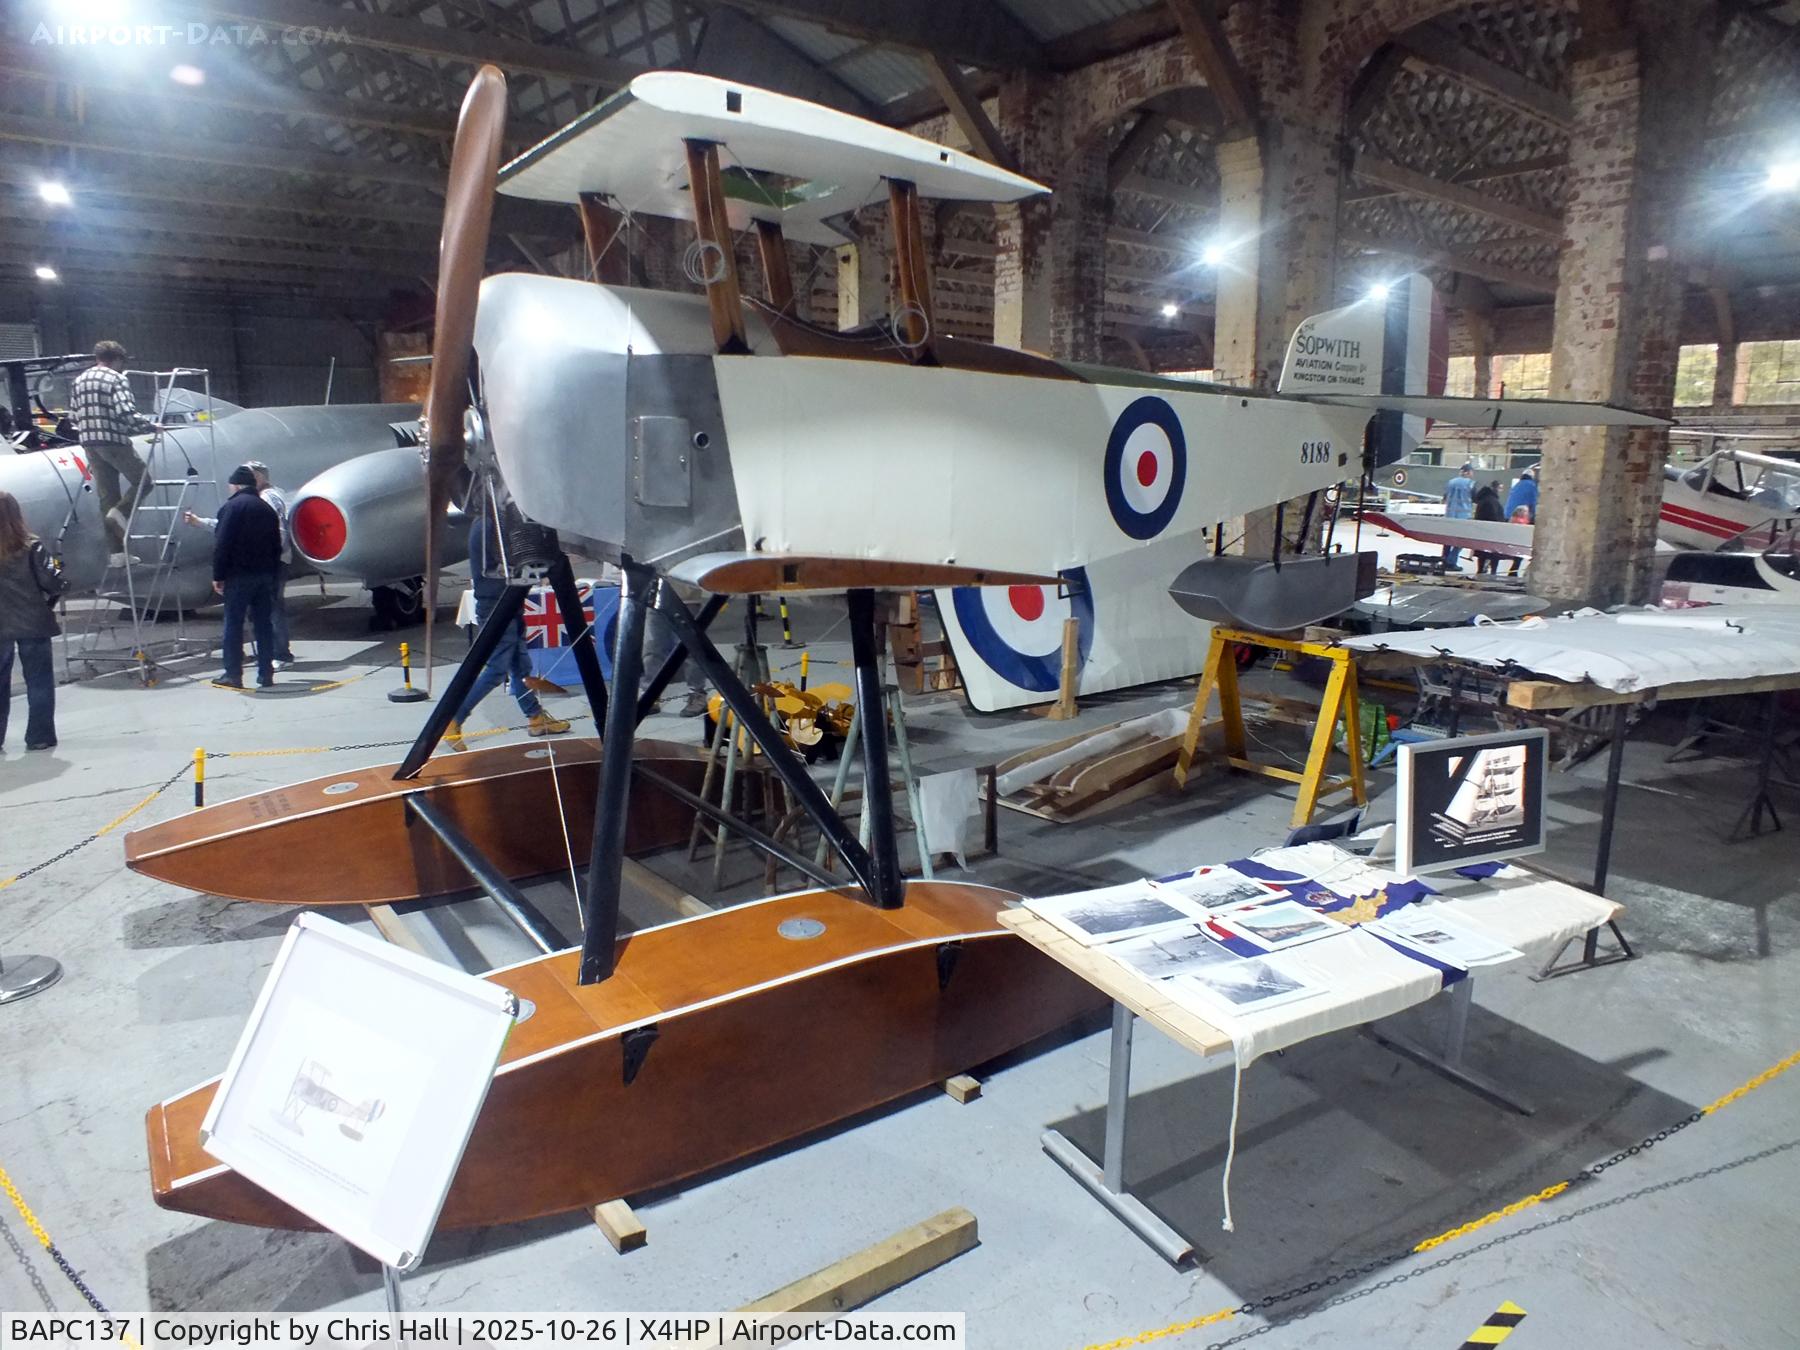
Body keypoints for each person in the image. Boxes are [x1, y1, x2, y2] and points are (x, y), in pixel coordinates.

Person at [445, 513, 571, 750]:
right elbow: (504, 563)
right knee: (497, 669)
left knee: (519, 666)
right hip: (497, 603)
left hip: (507, 599)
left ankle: (535, 716)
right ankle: (454, 719)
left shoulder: (488, 521)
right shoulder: (489, 524)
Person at [186, 460, 296, 666]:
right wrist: (201, 522)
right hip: (270, 563)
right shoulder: (271, 497)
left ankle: (279, 654)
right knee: (265, 611)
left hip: (265, 565)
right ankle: (270, 658)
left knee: (268, 611)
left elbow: (276, 533)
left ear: (258, 477)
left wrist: (268, 559)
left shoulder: (264, 499)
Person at [69, 341, 156, 549]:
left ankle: (117, 554)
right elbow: (126, 412)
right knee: (143, 481)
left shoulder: (79, 380)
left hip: (89, 444)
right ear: (117, 359)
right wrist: (151, 426)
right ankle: (121, 513)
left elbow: (73, 416)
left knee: (107, 496)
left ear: (98, 358)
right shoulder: (116, 379)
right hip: (114, 442)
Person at [0, 490, 69, 751]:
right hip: (33, 621)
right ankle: (39, 736)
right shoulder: (32, 546)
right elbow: (53, 580)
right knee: (39, 681)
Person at [211, 465, 283, 690]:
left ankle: (233, 674)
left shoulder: (232, 508)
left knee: (233, 625)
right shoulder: (266, 509)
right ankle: (266, 674)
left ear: (236, 485)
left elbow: (222, 544)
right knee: (263, 625)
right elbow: (276, 545)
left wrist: (218, 575)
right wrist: (273, 574)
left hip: (239, 576)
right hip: (264, 576)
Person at [1504, 465, 1538, 577]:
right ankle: (1515, 569)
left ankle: (1514, 568)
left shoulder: (1516, 485)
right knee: (1523, 545)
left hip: (1510, 517)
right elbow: (1533, 502)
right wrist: (1534, 518)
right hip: (1522, 518)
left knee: (1514, 543)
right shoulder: (1531, 486)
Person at [1472, 479, 1506, 576]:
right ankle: (1492, 572)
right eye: (1500, 488)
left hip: (1482, 531)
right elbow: (1494, 516)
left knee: (1482, 553)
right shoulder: (1492, 500)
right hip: (1492, 532)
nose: (1501, 490)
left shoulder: (1484, 499)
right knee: (1494, 553)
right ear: (1496, 488)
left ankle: (1480, 570)